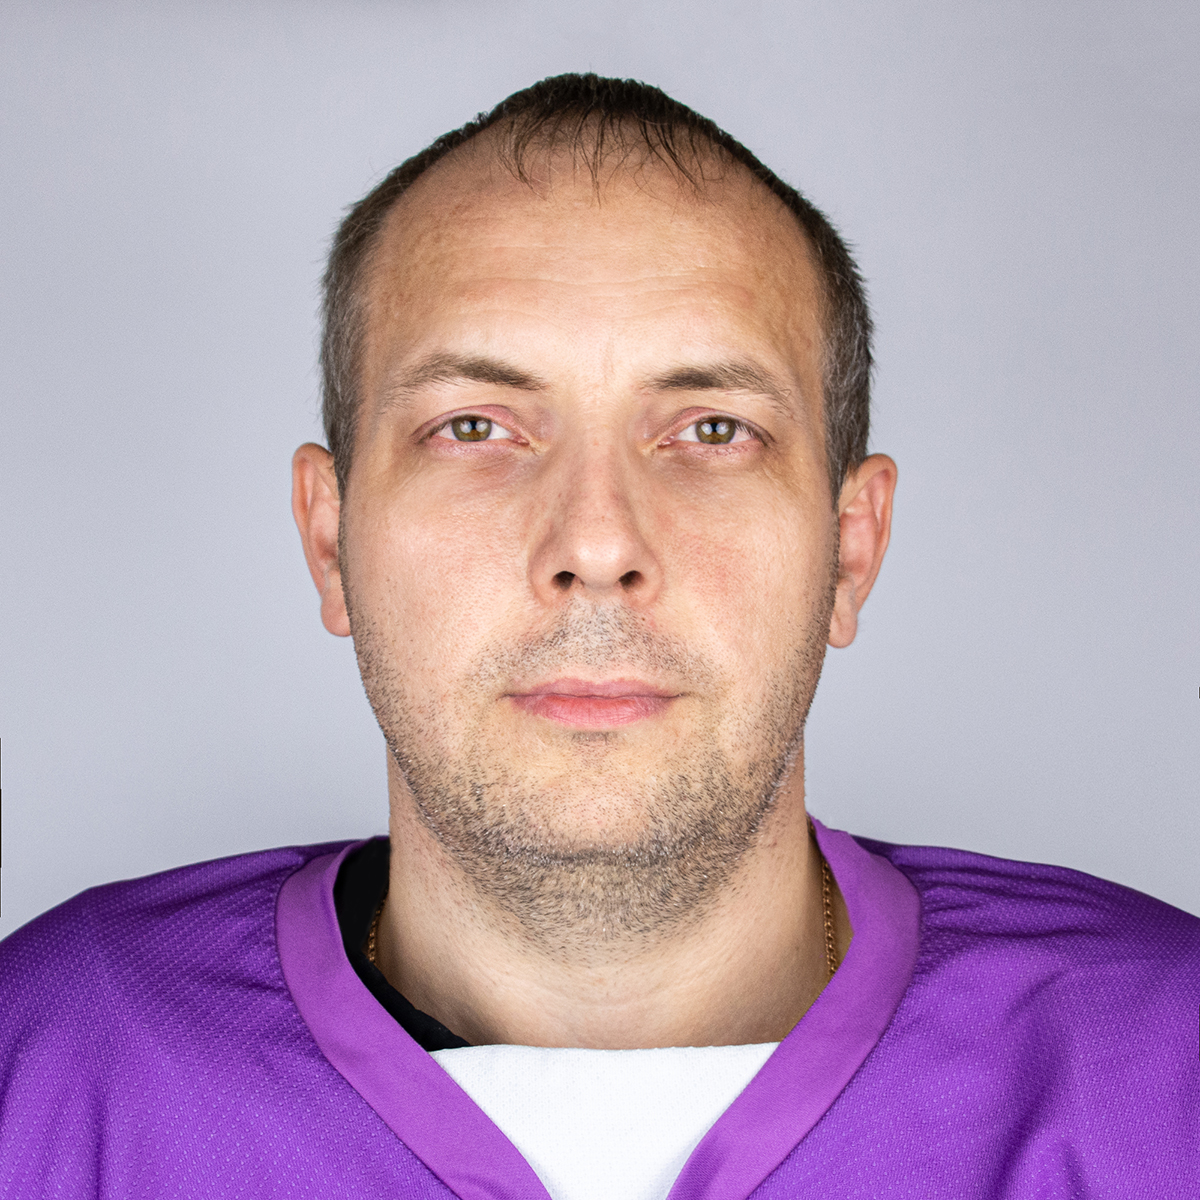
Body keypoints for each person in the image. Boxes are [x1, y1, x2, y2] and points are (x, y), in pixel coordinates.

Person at [1, 73, 1196, 1200]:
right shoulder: (52, 1068)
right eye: (475, 426)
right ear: (331, 540)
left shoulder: (1160, 1071)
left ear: (849, 548)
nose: (596, 542)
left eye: (711, 430)